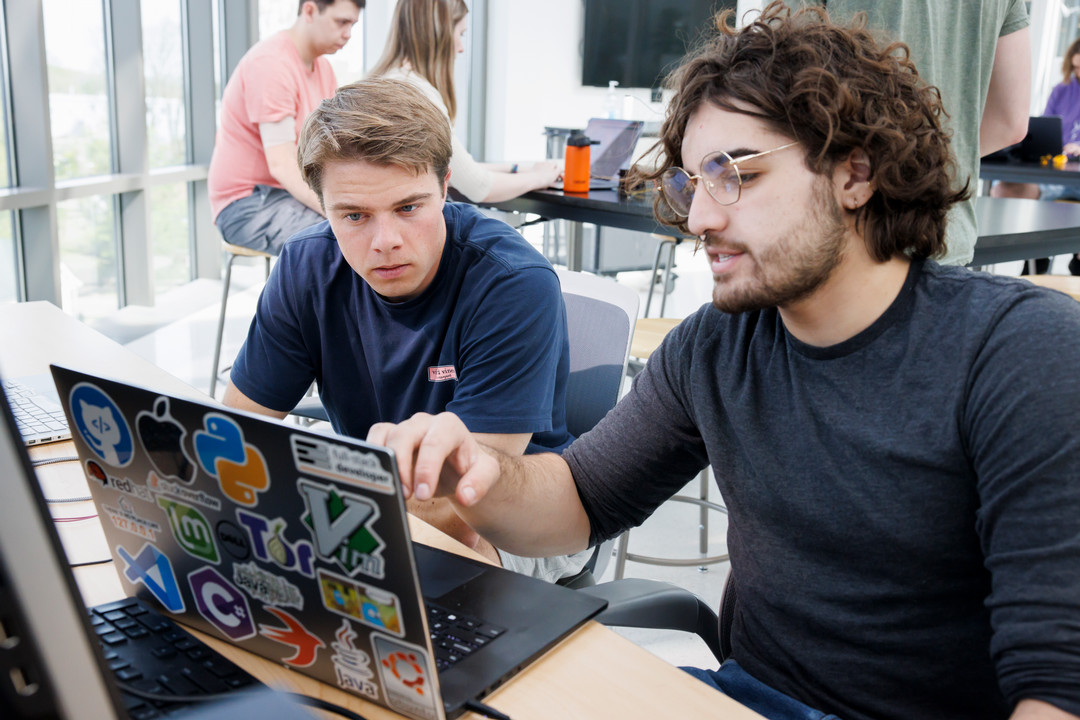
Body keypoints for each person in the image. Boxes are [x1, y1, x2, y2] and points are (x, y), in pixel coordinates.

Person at [368, 4, 1080, 719]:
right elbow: (580, 501)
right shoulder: (720, 343)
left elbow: (1057, 687)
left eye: (734, 174)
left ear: (855, 174)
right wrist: (478, 479)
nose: (700, 219)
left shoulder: (1019, 354)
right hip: (743, 699)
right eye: (691, 184)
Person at [222, 77, 589, 584]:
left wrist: (307, 535)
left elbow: (465, 509)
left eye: (408, 207)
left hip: (515, 514)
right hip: (374, 501)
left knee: (437, 578)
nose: (385, 242)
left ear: (445, 187)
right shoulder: (306, 267)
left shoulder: (511, 284)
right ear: (321, 206)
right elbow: (232, 434)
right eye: (353, 216)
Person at [787, 0, 1030, 267]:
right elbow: (1011, 123)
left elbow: (780, 89)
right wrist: (925, 163)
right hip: (946, 241)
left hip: (840, 248)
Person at [207, 0, 363, 255]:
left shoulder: (324, 69)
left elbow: (332, 147)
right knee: (341, 241)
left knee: (365, 228)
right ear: (310, 10)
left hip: (287, 195)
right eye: (341, 22)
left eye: (353, 25)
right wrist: (344, 210)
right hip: (247, 203)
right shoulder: (272, 64)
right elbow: (282, 164)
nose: (348, 34)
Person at [369, 0, 562, 203]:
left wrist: (515, 168)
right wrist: (540, 178)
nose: (461, 48)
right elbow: (479, 186)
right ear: (438, 33)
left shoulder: (384, 80)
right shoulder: (417, 91)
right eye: (460, 34)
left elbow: (446, 168)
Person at [991, 36, 1080, 276]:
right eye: (1075, 68)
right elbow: (1045, 127)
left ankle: (1070, 264)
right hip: (1055, 172)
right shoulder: (1062, 90)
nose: (1078, 73)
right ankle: (1033, 261)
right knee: (1004, 189)